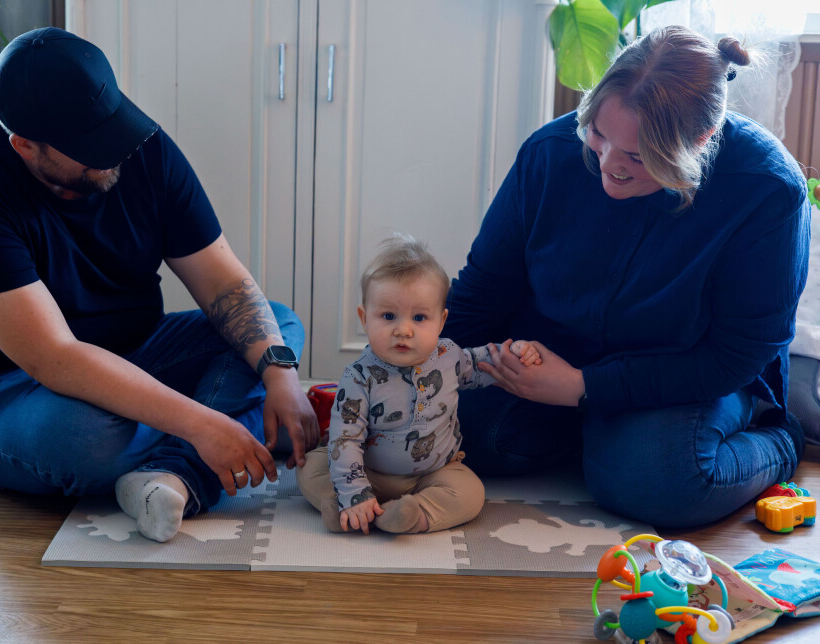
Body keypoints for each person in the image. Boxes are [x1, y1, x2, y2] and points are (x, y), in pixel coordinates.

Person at [0, 27, 319, 543]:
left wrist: (280, 377)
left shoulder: (138, 146)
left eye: (112, 129)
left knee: (276, 329)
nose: (114, 151)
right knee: (86, 439)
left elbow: (224, 282)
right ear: (25, 145)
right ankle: (226, 428)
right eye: (89, 147)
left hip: (133, 351)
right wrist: (203, 424)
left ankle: (176, 474)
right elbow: (55, 358)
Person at [442, 25, 810, 529]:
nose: (608, 166)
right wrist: (413, 370)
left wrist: (581, 386)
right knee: (434, 430)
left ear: (699, 142)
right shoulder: (548, 153)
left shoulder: (765, 189)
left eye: (638, 157)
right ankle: (595, 439)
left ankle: (774, 440)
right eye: (597, 134)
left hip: (684, 379)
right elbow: (483, 290)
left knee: (657, 481)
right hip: (551, 362)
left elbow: (735, 357)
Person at [296, 234, 541, 534]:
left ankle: (412, 514)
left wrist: (514, 353)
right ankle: (345, 504)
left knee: (471, 493)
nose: (403, 330)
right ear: (364, 318)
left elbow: (481, 365)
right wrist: (355, 490)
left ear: (441, 321)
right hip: (367, 470)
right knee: (311, 467)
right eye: (388, 316)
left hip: (433, 473)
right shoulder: (359, 377)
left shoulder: (449, 356)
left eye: (420, 317)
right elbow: (345, 440)